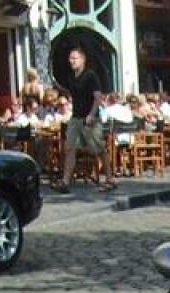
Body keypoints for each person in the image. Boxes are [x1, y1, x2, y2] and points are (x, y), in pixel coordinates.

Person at [56, 46, 114, 193]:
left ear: (83, 60)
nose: (71, 61)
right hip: (75, 117)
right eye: (70, 58)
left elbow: (97, 97)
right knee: (69, 148)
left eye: (74, 58)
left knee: (98, 149)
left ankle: (109, 179)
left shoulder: (90, 76)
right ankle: (65, 182)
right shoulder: (72, 77)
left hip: (90, 119)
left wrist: (92, 114)